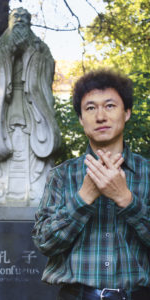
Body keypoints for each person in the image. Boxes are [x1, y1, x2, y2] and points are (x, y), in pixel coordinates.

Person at [32, 69, 150, 300]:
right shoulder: (61, 175)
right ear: (80, 118)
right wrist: (83, 198)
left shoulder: (147, 173)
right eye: (90, 108)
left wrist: (127, 200)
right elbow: (44, 242)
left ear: (126, 113)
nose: (100, 117)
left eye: (109, 106)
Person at [0, 8, 60, 206]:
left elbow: (47, 72)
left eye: (24, 18)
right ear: (10, 22)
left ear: (29, 23)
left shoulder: (40, 48)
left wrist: (30, 53)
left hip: (32, 107)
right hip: (4, 108)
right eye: (16, 17)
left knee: (31, 148)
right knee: (2, 143)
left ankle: (36, 193)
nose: (20, 20)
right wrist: (9, 54)